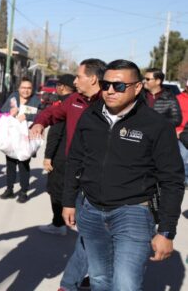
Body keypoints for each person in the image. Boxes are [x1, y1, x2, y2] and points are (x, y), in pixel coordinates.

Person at [63, 59, 185, 290]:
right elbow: (75, 161)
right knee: (99, 279)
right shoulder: (90, 117)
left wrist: (167, 231)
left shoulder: (156, 125)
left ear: (137, 87)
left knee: (125, 284)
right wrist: (69, 201)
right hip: (91, 211)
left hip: (134, 214)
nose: (109, 90)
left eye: (118, 86)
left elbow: (172, 180)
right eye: (105, 84)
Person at [30, 58, 107, 291]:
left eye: (78, 76)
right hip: (76, 175)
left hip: (103, 180)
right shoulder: (74, 100)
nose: (74, 81)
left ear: (93, 78)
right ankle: (75, 283)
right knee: (88, 233)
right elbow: (52, 113)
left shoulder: (110, 102)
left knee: (94, 235)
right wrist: (39, 123)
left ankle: (85, 280)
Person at [39, 74, 75, 236]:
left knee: (56, 190)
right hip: (74, 154)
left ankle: (58, 224)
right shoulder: (77, 102)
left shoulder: (64, 104)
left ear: (61, 87)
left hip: (61, 156)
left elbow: (55, 133)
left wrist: (48, 157)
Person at [0, 76, 42, 203]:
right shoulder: (13, 97)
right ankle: (9, 190)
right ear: (19, 88)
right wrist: (10, 114)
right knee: (10, 165)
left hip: (26, 138)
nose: (26, 90)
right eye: (23, 87)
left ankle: (23, 192)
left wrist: (27, 116)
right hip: (12, 138)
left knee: (24, 165)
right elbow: (3, 113)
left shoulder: (35, 100)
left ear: (32, 89)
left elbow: (40, 115)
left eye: (29, 88)